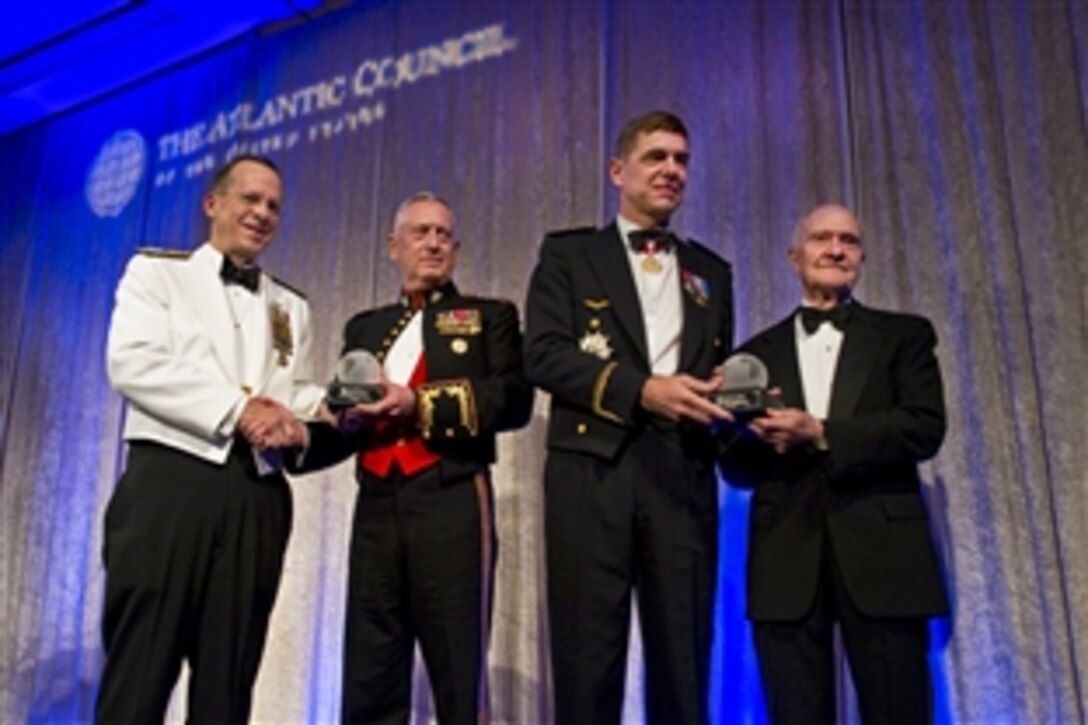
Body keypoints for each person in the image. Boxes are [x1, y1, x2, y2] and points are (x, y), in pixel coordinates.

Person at [523, 110, 734, 724]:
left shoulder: (712, 271)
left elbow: (714, 365)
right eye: (656, 157)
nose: (672, 170)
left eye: (682, 160)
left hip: (682, 472)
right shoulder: (568, 253)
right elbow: (542, 355)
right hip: (592, 472)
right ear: (618, 170)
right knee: (588, 659)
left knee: (684, 661)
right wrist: (641, 391)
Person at [98, 154, 325, 722]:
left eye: (273, 205)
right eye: (250, 199)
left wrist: (335, 407)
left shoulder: (291, 307)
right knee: (140, 673)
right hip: (170, 488)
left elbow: (287, 394)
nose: (262, 213)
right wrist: (238, 408)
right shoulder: (156, 273)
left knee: (228, 682)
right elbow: (133, 363)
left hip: (257, 496)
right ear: (213, 204)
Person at [718, 204, 949, 723]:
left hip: (885, 558)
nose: (836, 249)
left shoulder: (904, 336)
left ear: (862, 257)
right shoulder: (753, 353)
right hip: (786, 558)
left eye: (848, 240)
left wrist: (821, 432)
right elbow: (735, 469)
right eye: (822, 238)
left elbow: (924, 427)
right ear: (794, 256)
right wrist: (751, 436)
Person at [328, 192, 533, 724]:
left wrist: (417, 403)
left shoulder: (491, 316)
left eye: (443, 234)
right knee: (369, 666)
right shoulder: (364, 327)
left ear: (457, 248)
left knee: (458, 666)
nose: (433, 243)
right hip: (376, 503)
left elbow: (511, 400)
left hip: (450, 496)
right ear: (393, 246)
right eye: (420, 233)